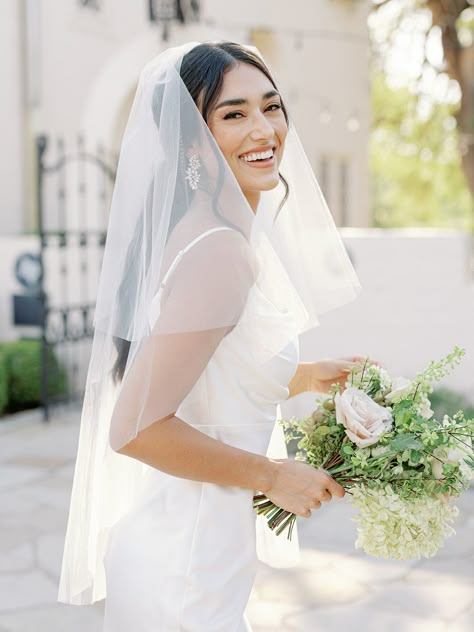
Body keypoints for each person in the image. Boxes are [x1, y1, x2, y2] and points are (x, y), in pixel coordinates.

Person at [58, 41, 362, 631]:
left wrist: (298, 376)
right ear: (192, 139)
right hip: (186, 562)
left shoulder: (206, 231)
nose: (263, 129)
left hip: (191, 542)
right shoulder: (220, 252)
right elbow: (136, 427)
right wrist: (274, 476)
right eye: (233, 114)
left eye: (271, 107)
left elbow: (196, 374)